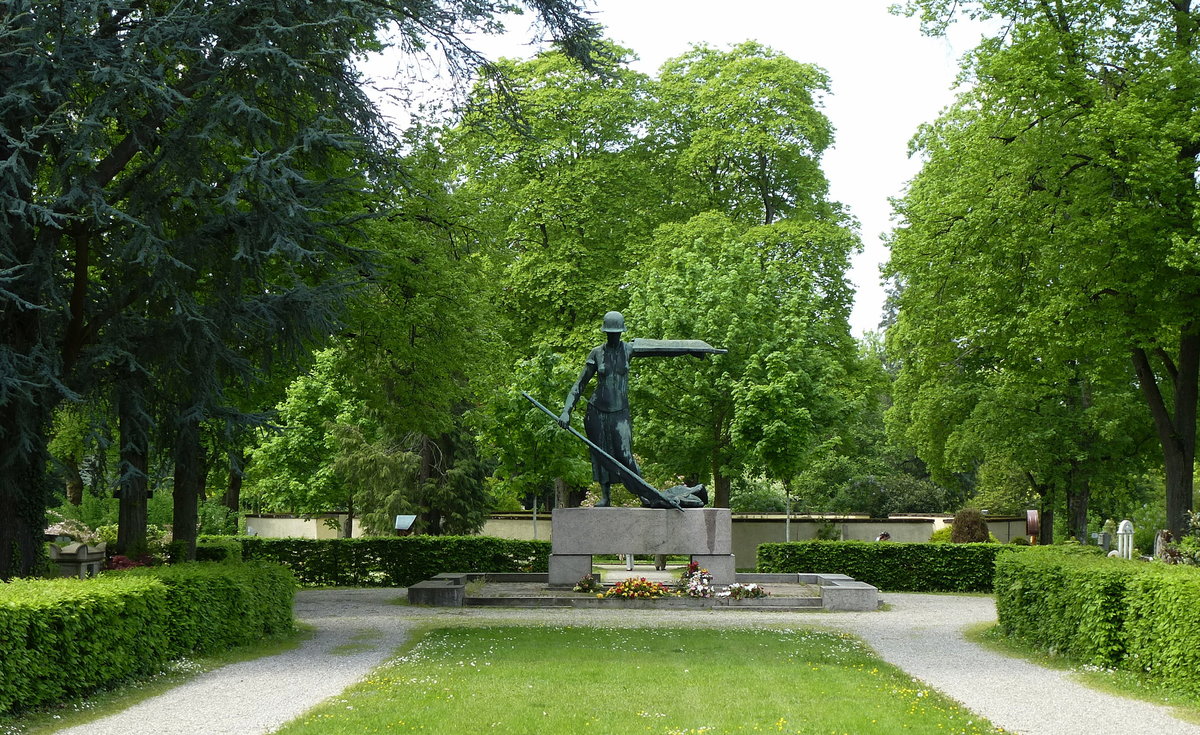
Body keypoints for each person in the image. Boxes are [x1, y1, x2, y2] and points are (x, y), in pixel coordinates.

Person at [558, 311, 724, 507]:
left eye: (617, 333)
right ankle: (606, 496)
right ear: (606, 332)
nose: (614, 336)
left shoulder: (628, 350)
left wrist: (690, 350)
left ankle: (645, 494)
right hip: (596, 411)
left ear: (621, 332)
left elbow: (660, 348)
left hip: (620, 412)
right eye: (611, 333)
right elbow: (579, 384)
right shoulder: (597, 353)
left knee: (625, 454)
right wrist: (566, 411)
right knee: (600, 453)